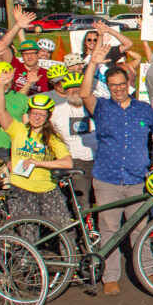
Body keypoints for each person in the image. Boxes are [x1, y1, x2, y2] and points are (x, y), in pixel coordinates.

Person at [80, 51, 153, 295]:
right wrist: (93, 63)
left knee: (140, 229)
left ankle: (147, 272)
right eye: (113, 86)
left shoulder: (143, 109)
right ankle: (110, 277)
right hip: (107, 179)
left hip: (137, 178)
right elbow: (84, 93)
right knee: (109, 230)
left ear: (128, 83)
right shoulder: (102, 107)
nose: (118, 89)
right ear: (107, 87)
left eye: (121, 84)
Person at [0, 70, 73, 225]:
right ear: (28, 113)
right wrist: (1, 85)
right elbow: (0, 111)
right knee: (27, 234)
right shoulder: (18, 130)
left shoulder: (53, 137)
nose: (37, 117)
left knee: (64, 229)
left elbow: (67, 163)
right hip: (21, 188)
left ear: (48, 117)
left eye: (41, 115)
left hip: (47, 189)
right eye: (34, 113)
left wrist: (38, 163)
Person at [50, 71, 97, 208]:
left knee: (102, 202)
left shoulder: (96, 108)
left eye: (79, 86)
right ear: (65, 91)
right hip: (75, 161)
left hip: (99, 160)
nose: (76, 90)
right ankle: (83, 229)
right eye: (71, 87)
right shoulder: (56, 112)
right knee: (82, 203)